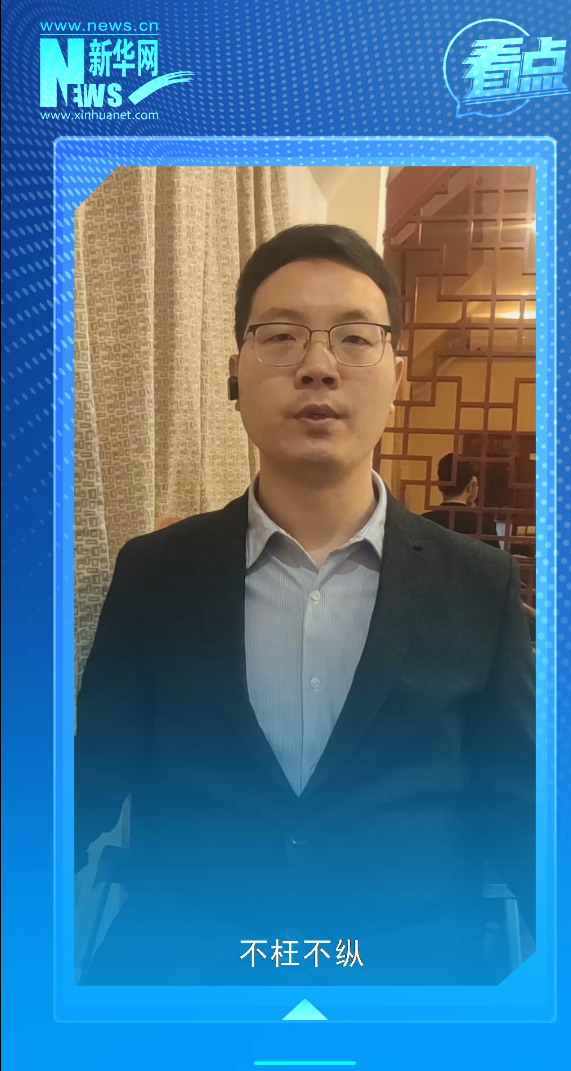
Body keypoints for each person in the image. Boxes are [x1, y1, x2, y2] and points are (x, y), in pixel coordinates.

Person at [75, 224, 535, 987]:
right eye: (281, 335)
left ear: (396, 373)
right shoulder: (156, 571)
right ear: (235, 373)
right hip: (183, 972)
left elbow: (521, 811)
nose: (317, 366)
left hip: (408, 981)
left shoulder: (478, 582)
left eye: (353, 338)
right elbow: (84, 784)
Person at [422, 454, 501, 549]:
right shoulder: (484, 525)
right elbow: (495, 557)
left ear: (439, 485)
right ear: (470, 487)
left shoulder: (423, 522)